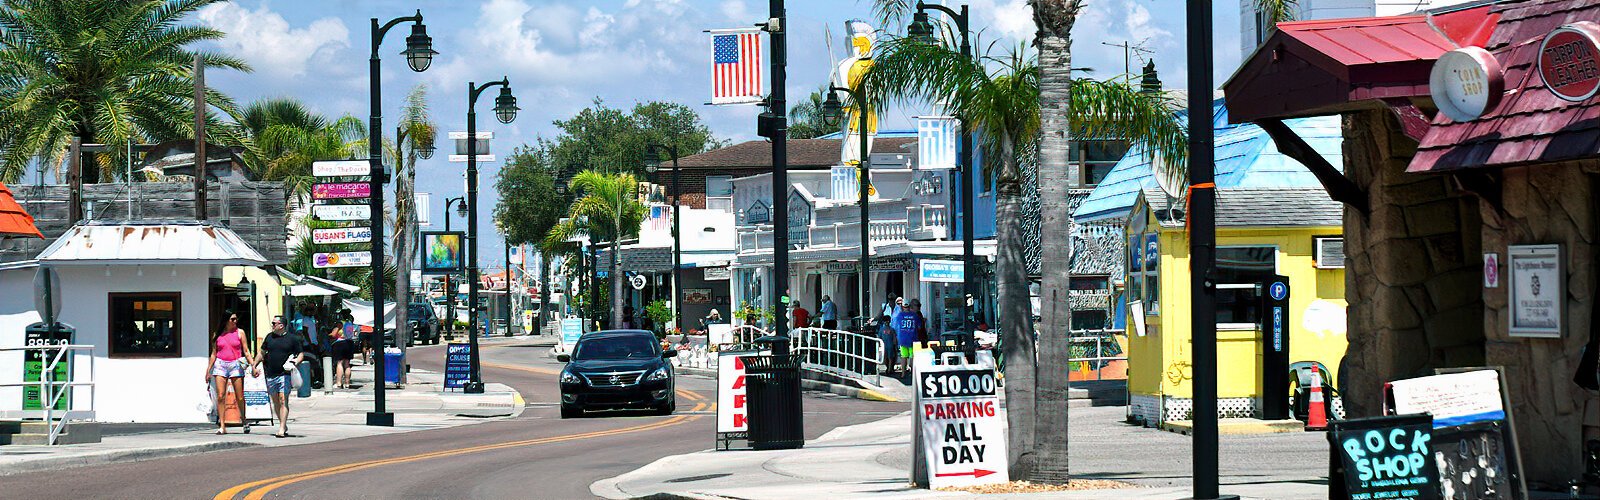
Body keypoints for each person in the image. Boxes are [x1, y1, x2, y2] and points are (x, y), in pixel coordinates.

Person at [254, 316, 305, 438]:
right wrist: (254, 365)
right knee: (275, 401)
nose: (272, 325)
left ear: (281, 325)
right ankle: (283, 423)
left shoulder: (292, 339)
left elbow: (301, 354)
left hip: (284, 374)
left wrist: (295, 363)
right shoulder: (269, 337)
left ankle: (281, 428)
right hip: (270, 373)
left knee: (283, 399)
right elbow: (262, 353)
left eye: (274, 323)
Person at [206, 311, 253, 435]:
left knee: (240, 396)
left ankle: (244, 419)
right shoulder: (217, 334)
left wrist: (253, 365)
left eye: (236, 319)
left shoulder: (240, 332)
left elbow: (246, 350)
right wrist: (208, 370)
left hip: (235, 364)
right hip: (220, 364)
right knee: (221, 395)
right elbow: (213, 354)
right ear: (226, 320)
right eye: (232, 319)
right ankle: (222, 424)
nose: (235, 321)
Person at [892, 299, 927, 374]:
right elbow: (919, 327)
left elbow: (896, 326)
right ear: (910, 306)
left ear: (903, 306)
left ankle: (903, 373)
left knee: (904, 356)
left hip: (903, 339)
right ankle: (912, 373)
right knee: (912, 356)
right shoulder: (915, 315)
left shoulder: (900, 315)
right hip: (913, 338)